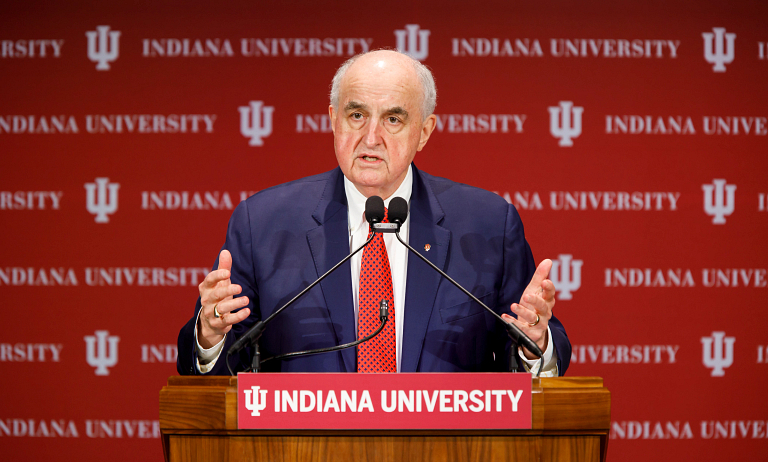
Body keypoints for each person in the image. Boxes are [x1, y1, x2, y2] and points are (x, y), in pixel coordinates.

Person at [177, 50, 570, 376]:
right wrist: (211, 338)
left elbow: (532, 349)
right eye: (356, 115)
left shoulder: (487, 225)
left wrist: (534, 344)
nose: (370, 137)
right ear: (333, 120)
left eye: (393, 119)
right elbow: (221, 364)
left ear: (425, 131)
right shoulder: (263, 223)